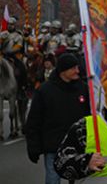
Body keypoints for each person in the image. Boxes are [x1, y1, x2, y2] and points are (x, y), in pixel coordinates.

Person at [25, 52, 91, 184]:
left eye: (77, 67)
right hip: (54, 146)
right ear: (63, 70)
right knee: (53, 179)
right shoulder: (45, 91)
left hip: (78, 146)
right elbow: (34, 120)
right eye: (73, 68)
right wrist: (33, 146)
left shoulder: (83, 89)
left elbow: (91, 116)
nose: (77, 71)